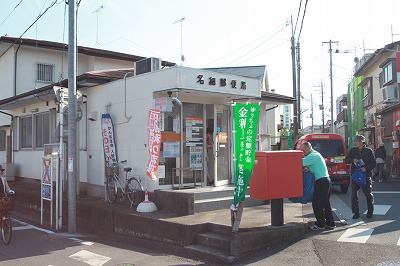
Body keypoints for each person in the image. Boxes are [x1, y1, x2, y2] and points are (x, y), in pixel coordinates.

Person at [299, 142, 335, 231]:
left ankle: (320, 224)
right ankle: (330, 223)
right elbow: (312, 167)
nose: (302, 152)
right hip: (326, 181)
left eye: (303, 150)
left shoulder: (313, 156)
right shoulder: (316, 155)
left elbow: (299, 162)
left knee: (317, 204)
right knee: (326, 204)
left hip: (321, 182)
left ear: (308, 148)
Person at [345, 134, 376, 219]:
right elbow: (347, 160)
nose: (355, 142)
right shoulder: (353, 150)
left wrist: (366, 168)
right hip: (355, 175)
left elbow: (373, 163)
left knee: (368, 195)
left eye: (357, 141)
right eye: (355, 141)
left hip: (366, 176)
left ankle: (370, 211)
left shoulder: (368, 151)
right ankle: (356, 213)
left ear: (362, 142)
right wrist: (352, 160)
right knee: (354, 194)